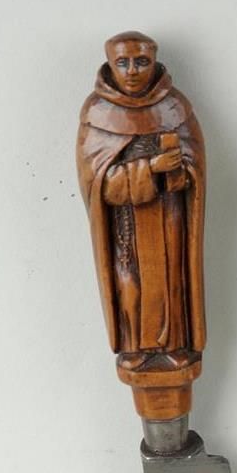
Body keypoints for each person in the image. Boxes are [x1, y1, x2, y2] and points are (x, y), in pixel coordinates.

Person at [77, 32, 205, 372]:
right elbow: (97, 182)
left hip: (168, 214)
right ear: (109, 64)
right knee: (129, 283)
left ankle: (173, 345)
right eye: (123, 62)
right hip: (126, 221)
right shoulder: (97, 112)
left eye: (141, 61)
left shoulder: (174, 107)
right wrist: (149, 168)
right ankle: (135, 347)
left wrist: (179, 169)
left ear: (154, 62)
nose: (132, 70)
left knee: (170, 279)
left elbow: (195, 166)